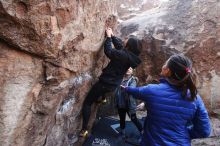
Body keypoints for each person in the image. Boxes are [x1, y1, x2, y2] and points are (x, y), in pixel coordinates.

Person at [121, 54, 211, 146]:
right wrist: (183, 133)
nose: (163, 66)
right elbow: (205, 131)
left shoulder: (152, 90)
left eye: (165, 64)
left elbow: (136, 91)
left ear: (168, 71)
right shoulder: (194, 97)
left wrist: (125, 88)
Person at [79, 28, 142, 137]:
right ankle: (103, 99)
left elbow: (109, 51)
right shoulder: (130, 56)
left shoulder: (123, 55)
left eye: (128, 40)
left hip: (105, 83)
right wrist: (112, 36)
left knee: (88, 103)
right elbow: (120, 47)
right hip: (113, 84)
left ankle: (84, 130)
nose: (125, 40)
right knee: (103, 91)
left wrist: (108, 38)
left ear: (129, 46)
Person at [115, 67, 142, 139]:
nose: (127, 69)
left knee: (134, 119)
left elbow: (132, 89)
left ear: (132, 72)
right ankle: (122, 133)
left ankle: (142, 132)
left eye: (130, 69)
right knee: (122, 119)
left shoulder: (133, 80)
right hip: (120, 103)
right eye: (127, 68)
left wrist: (125, 87)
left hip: (129, 104)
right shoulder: (120, 78)